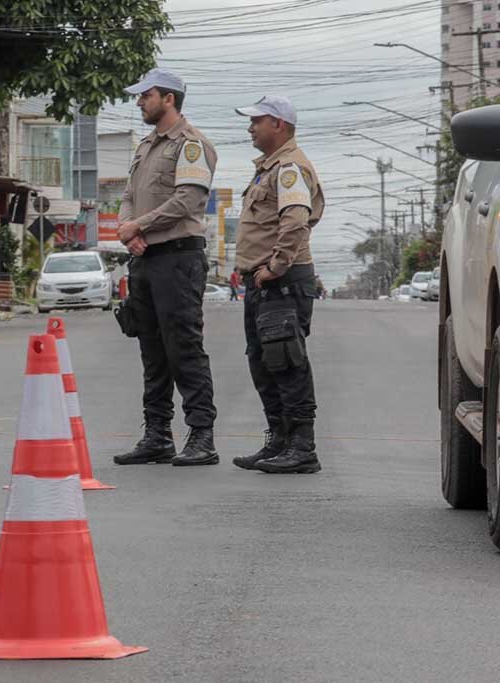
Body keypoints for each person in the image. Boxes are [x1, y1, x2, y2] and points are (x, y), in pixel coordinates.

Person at [111, 68, 221, 468]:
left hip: (178, 258)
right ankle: (157, 435)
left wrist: (138, 226)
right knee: (151, 349)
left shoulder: (191, 145)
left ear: (168, 99)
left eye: (146, 95)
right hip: (145, 258)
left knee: (183, 347)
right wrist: (129, 230)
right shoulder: (146, 147)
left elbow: (188, 201)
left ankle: (202, 436)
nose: (139, 101)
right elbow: (128, 196)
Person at [231, 95, 325, 474]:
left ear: (279, 125)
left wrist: (276, 265)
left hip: (281, 282)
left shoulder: (289, 168)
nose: (250, 127)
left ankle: (303, 449)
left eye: (257, 120)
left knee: (286, 364)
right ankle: (279, 441)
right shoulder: (268, 168)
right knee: (263, 364)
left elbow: (296, 219)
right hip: (264, 283)